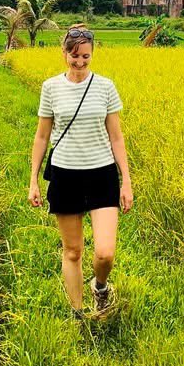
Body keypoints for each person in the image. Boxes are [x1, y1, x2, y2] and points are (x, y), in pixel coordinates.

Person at [28, 24, 133, 319]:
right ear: (64, 53)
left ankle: (100, 286)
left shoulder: (105, 86)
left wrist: (126, 181)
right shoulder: (51, 88)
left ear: (92, 54)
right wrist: (33, 180)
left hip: (102, 175)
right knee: (72, 251)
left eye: (85, 56)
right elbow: (41, 136)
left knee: (105, 252)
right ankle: (78, 314)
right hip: (65, 175)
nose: (80, 62)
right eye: (74, 56)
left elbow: (116, 137)